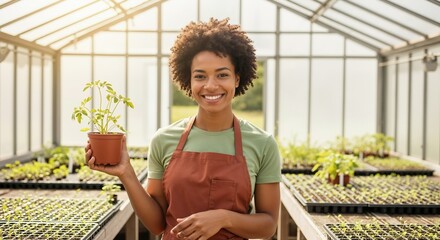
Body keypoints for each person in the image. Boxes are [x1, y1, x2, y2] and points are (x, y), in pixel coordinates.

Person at [86, 18, 282, 240]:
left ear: (237, 79)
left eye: (222, 74)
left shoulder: (262, 143)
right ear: (188, 81)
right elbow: (157, 224)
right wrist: (127, 174)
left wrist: (223, 218)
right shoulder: (164, 139)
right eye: (200, 76)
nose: (210, 85)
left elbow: (268, 226)